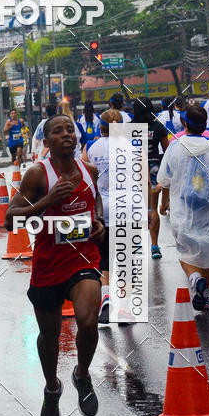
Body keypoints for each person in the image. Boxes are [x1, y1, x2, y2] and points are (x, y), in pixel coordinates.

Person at [6, 115, 105, 416]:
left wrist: (99, 221)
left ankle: (82, 374)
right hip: (48, 265)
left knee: (88, 321)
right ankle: (52, 388)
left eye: (69, 130)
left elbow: (96, 200)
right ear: (46, 143)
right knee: (49, 336)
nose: (66, 135)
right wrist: (46, 201)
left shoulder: (89, 170)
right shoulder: (37, 174)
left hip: (83, 258)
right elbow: (11, 218)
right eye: (57, 132)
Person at [157, 103, 209, 311]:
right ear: (204, 123)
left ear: (184, 123)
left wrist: (164, 202)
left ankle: (195, 279)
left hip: (183, 208)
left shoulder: (175, 146)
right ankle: (207, 295)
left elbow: (164, 180)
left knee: (184, 251)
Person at [82, 109, 122, 324]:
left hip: (102, 208)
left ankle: (106, 295)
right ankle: (125, 309)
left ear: (101, 128)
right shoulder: (132, 147)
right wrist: (149, 210)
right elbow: (144, 182)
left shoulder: (90, 147)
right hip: (127, 207)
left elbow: (84, 177)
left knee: (104, 255)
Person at [131, 97, 169, 260]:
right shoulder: (158, 126)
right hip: (154, 169)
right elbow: (167, 150)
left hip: (134, 171)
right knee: (152, 208)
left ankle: (137, 246)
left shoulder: (128, 128)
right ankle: (154, 246)